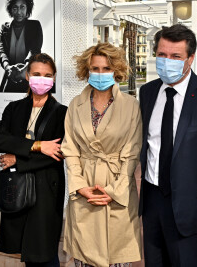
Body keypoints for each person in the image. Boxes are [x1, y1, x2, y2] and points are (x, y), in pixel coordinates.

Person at [139, 24, 197, 267]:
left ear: (190, 59)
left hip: (191, 204)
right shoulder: (148, 92)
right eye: (162, 55)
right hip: (152, 200)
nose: (167, 61)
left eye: (175, 56)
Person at [61, 43, 142, 267]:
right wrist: (79, 186)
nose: (100, 74)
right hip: (84, 188)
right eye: (95, 69)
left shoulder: (131, 106)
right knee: (84, 257)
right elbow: (70, 149)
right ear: (86, 71)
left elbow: (132, 152)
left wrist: (114, 191)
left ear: (116, 71)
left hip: (117, 190)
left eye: (106, 69)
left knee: (116, 258)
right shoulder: (74, 105)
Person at [0, 53, 67, 266]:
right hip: (18, 186)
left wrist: (18, 159)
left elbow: (58, 153)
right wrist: (37, 146)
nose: (41, 79)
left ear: (53, 79)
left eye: (47, 75)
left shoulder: (62, 112)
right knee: (25, 248)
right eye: (36, 74)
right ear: (27, 76)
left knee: (43, 251)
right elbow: (0, 141)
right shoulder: (14, 108)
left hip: (46, 188)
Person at [0, 0, 43, 93]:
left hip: (28, 74)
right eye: (15, 7)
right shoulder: (5, 28)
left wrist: (24, 69)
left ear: (28, 8)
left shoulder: (35, 26)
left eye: (22, 7)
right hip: (10, 75)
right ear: (10, 9)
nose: (19, 12)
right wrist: (7, 67)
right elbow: (1, 51)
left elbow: (35, 50)